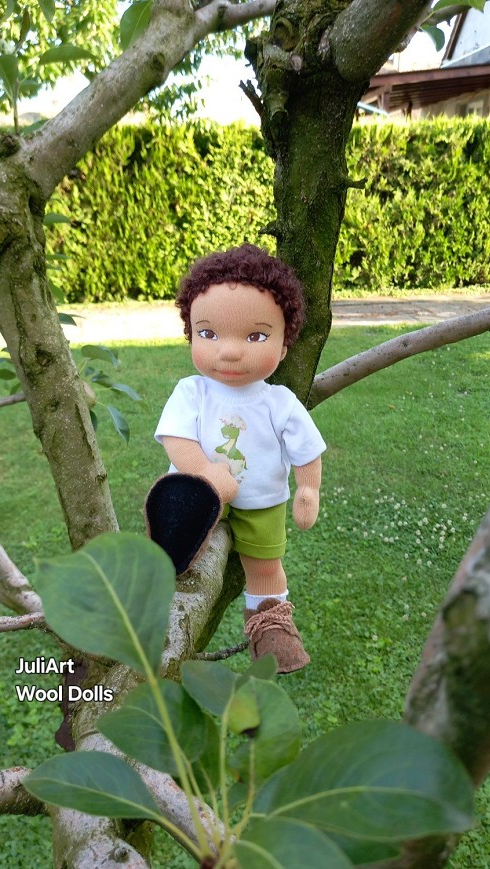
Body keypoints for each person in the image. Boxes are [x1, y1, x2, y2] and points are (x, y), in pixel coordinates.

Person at [152, 243, 326, 673]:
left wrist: (308, 488)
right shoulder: (191, 391)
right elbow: (176, 439)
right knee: (179, 552)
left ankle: (270, 624)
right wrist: (205, 473)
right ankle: (159, 595)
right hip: (198, 492)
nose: (229, 352)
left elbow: (306, 449)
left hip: (261, 501)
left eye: (255, 336)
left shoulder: (279, 402)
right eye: (208, 334)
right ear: (191, 334)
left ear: (284, 346)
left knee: (266, 567)